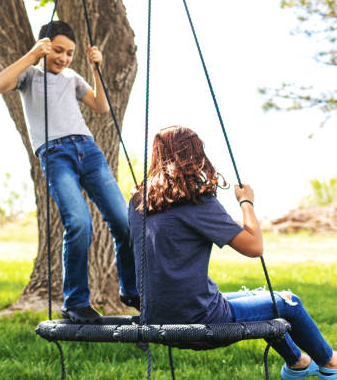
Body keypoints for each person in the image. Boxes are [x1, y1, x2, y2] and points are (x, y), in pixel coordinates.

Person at [128, 125, 337, 380]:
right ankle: (330, 362)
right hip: (201, 318)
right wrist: (246, 201)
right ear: (195, 155)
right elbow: (254, 246)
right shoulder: (195, 199)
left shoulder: (139, 200)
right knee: (288, 302)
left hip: (156, 315)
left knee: (260, 297)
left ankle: (298, 363)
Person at [0, 20, 138, 323]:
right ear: (44, 45)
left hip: (89, 151)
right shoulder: (29, 75)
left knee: (125, 221)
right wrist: (32, 55)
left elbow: (100, 106)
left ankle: (132, 290)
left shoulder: (72, 77)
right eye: (58, 50)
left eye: (70, 53)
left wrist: (96, 68)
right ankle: (75, 302)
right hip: (56, 155)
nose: (64, 58)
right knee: (80, 223)